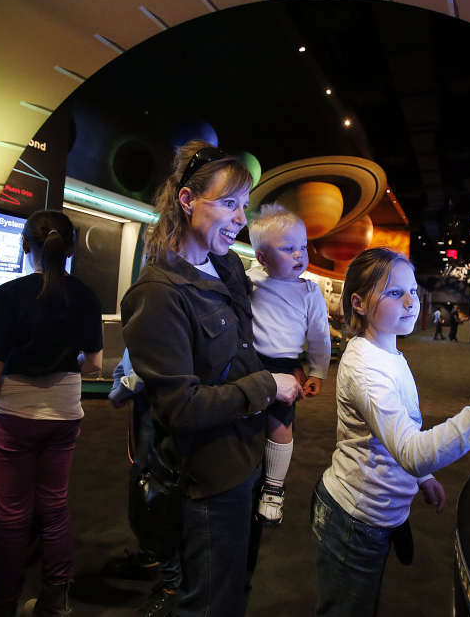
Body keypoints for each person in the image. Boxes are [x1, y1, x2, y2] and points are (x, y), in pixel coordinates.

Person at [120, 140, 303, 617]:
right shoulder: (158, 294)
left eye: (243, 205)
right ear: (186, 201)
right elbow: (182, 407)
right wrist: (269, 385)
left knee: (233, 592)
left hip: (247, 458)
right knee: (207, 604)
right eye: (228, 203)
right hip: (208, 478)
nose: (241, 218)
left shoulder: (224, 266)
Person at [310, 247, 470, 615]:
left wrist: (423, 477)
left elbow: (400, 431)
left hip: (374, 513)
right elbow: (411, 451)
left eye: (412, 290)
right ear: (359, 303)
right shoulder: (367, 370)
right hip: (354, 520)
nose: (411, 301)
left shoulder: (388, 352)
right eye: (395, 293)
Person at [0, 210, 103, 617]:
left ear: (25, 246)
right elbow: (93, 366)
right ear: (72, 248)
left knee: (12, 515)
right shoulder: (85, 296)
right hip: (65, 414)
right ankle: (56, 600)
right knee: (54, 506)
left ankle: (3, 604)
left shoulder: (6, 296)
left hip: (13, 416)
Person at [246, 203, 331, 525]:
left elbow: (320, 338)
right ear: (263, 258)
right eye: (288, 249)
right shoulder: (249, 281)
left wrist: (318, 372)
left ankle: (274, 488)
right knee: (244, 418)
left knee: (281, 426)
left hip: (285, 364)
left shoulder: (309, 292)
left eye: (303, 247)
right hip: (250, 361)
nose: (300, 255)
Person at [107, 349, 182, 616]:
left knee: (158, 496)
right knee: (144, 487)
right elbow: (126, 360)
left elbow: (148, 370)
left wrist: (122, 389)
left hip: (163, 410)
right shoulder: (147, 309)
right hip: (146, 408)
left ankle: (173, 585)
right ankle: (152, 556)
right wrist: (120, 387)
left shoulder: (167, 310)